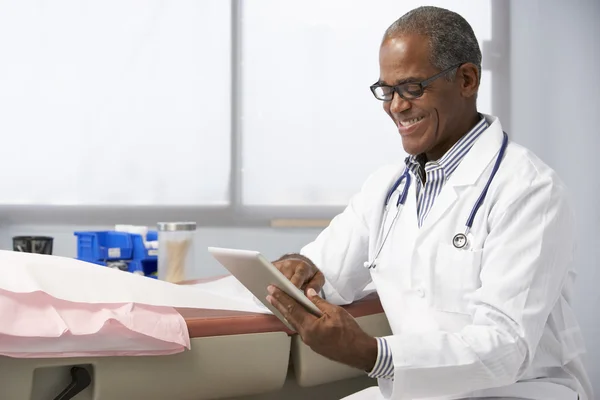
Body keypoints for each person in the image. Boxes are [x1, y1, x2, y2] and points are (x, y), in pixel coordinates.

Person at [265, 6, 592, 400]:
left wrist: (373, 353)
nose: (395, 106)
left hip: (521, 390)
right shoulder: (387, 190)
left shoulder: (529, 190)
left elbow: (506, 348)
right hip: (422, 390)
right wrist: (301, 269)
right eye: (387, 90)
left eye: (412, 87)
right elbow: (323, 273)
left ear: (467, 79)